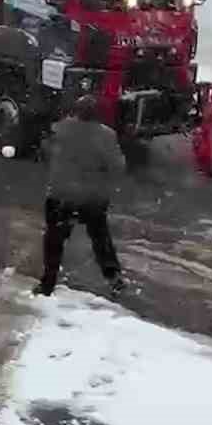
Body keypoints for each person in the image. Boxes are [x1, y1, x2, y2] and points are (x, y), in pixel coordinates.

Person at [36, 94, 127, 297]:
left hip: (61, 196)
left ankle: (47, 283)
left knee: (54, 240)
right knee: (100, 236)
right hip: (92, 198)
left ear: (75, 111)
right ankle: (113, 276)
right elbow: (118, 166)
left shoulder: (59, 129)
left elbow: (45, 152)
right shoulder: (106, 135)